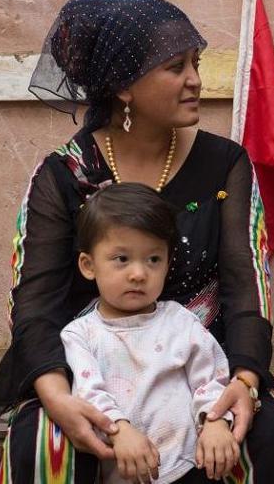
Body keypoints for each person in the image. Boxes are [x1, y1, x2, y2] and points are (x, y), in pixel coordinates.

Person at [0, 0, 274, 484]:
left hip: (203, 366)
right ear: (124, 88)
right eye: (175, 67)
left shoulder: (226, 163)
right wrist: (59, 399)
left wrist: (242, 381)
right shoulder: (63, 174)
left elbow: (248, 288)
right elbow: (35, 305)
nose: (196, 79)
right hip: (88, 368)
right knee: (44, 447)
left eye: (195, 63)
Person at [62, 183, 237, 483]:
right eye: (122, 259)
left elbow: (210, 376)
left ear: (168, 263)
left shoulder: (179, 321)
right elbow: (89, 394)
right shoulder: (81, 334)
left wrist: (216, 422)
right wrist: (119, 430)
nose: (139, 273)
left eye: (153, 259)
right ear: (89, 265)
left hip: (190, 465)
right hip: (123, 467)